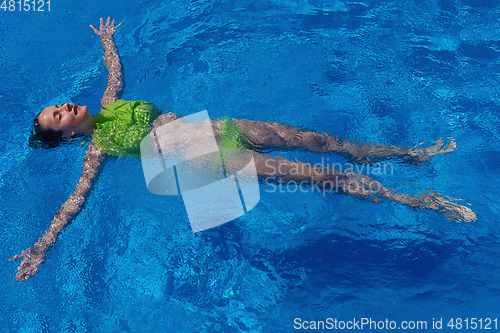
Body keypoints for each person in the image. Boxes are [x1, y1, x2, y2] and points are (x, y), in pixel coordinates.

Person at [9, 18, 476, 282]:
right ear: (67, 135)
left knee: (321, 142)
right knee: (314, 175)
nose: (64, 106)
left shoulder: (109, 103)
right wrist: (43, 244)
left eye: (58, 105)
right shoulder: (97, 149)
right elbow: (75, 201)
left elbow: (114, 73)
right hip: (209, 159)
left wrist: (109, 43)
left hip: (221, 128)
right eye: (57, 116)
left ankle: (404, 154)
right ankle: (412, 200)